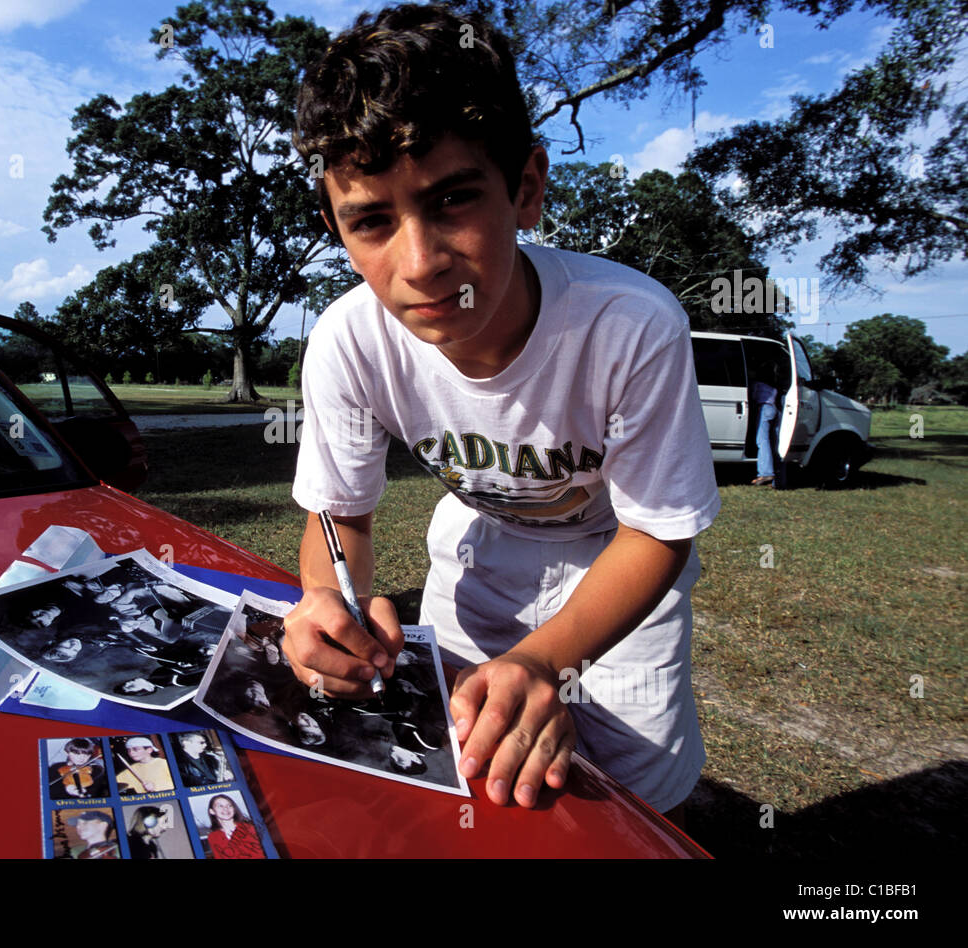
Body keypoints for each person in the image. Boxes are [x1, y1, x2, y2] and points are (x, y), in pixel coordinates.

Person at [284, 3, 720, 825]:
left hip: (616, 572)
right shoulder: (347, 341)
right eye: (371, 220)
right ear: (337, 230)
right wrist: (325, 599)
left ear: (525, 187)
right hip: (476, 564)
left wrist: (545, 661)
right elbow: (340, 513)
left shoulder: (627, 325)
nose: (419, 264)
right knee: (475, 777)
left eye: (451, 200)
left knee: (627, 803)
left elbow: (660, 529)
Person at [204, 794, 265, 859]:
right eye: (220, 806)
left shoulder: (249, 828)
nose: (226, 808)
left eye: (229, 805)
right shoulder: (213, 837)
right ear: (212, 811)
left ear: (234, 809)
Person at [751, 359, 782, 486]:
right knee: (773, 442)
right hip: (774, 409)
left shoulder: (758, 384)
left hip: (764, 408)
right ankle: (776, 479)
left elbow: (752, 397)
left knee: (762, 440)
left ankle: (765, 473)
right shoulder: (773, 384)